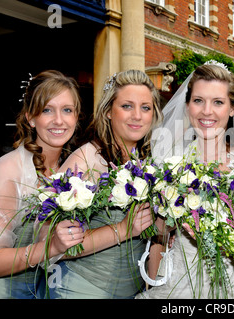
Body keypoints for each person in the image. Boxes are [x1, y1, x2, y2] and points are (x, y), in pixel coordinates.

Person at [136, 62, 234, 299]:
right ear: (187, 105)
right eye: (198, 100)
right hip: (179, 281)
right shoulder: (167, 162)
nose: (206, 111)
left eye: (218, 102)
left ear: (232, 108)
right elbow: (158, 235)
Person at [48, 69, 163, 298]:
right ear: (109, 111)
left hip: (133, 290)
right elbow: (53, 246)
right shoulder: (86, 160)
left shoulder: (148, 162)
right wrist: (123, 229)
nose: (137, 116)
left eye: (146, 107)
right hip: (83, 289)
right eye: (127, 106)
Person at [0, 70, 84, 298]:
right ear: (30, 117)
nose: (59, 120)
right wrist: (49, 248)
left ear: (76, 117)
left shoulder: (72, 170)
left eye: (67, 110)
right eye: (47, 110)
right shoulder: (9, 170)